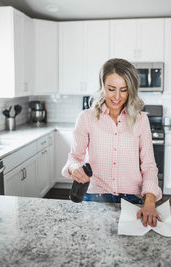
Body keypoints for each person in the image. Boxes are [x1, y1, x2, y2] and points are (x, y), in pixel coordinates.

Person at [62, 58, 162, 228]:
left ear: (131, 90)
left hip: (132, 199)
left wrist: (150, 201)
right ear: (102, 85)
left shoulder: (141, 119)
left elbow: (149, 166)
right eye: (111, 89)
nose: (117, 97)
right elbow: (73, 159)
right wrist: (74, 168)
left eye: (123, 90)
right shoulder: (86, 118)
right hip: (95, 196)